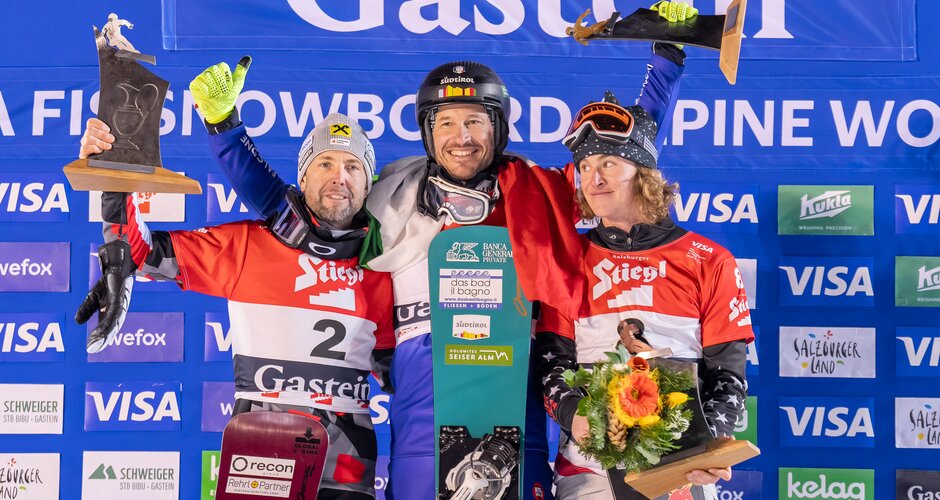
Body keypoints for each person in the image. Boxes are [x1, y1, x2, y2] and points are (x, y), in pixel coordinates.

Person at [77, 114, 394, 500]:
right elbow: (141, 254)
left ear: (368, 183)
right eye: (324, 163)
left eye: (352, 167)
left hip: (345, 471)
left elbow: (404, 378)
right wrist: (114, 174)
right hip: (262, 463)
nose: (338, 177)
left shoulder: (384, 270)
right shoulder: (247, 247)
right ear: (304, 177)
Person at [532, 95, 755, 499]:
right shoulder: (568, 259)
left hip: (681, 469)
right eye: (584, 167)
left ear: (644, 173)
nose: (593, 178)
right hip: (588, 468)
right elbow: (551, 365)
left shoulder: (709, 260)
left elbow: (729, 375)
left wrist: (711, 445)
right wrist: (574, 414)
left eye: (608, 164)